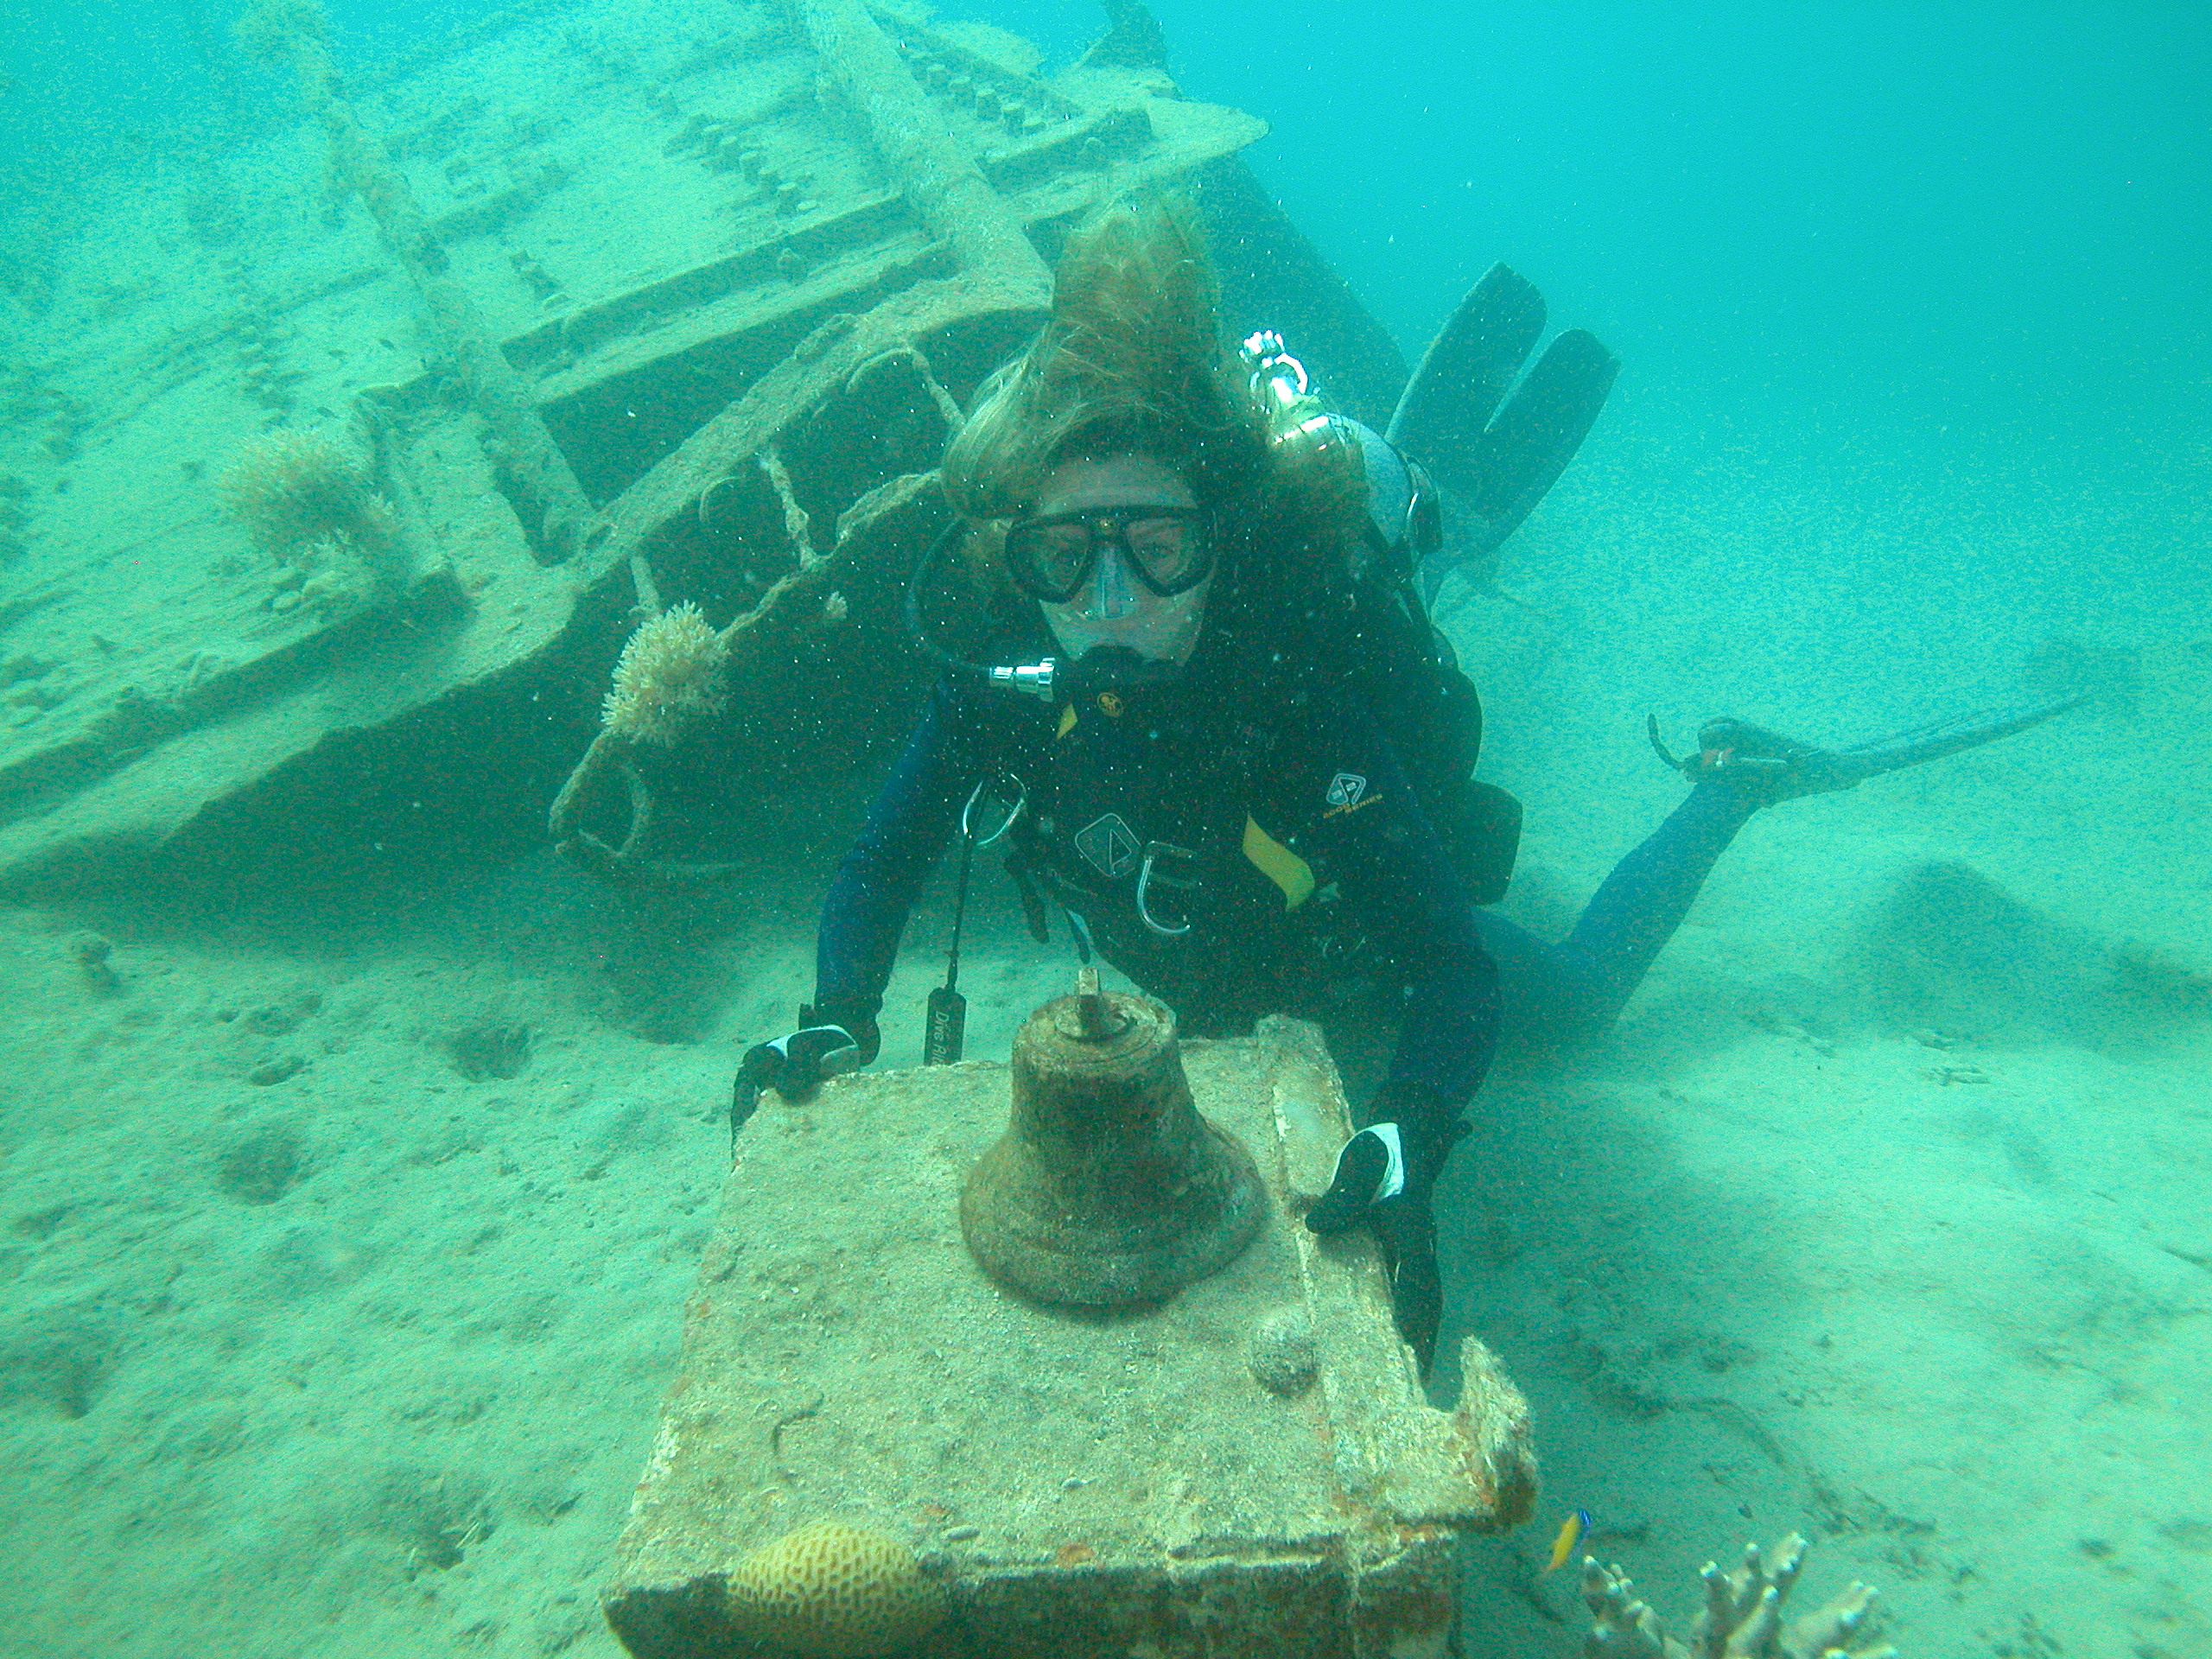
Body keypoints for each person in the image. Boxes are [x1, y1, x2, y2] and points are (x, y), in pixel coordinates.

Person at [738, 200, 2075, 1372]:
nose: (1111, 601)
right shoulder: (994, 682)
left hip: (1341, 956)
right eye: (1065, 556)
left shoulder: (1294, 697)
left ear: (1219, 543)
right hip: (1199, 970)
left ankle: (1730, 784)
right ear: (1013, 560)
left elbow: (1451, 971)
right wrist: (837, 1016)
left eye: (1156, 546)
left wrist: (1406, 1134)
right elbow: (881, 860)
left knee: (1579, 1001)